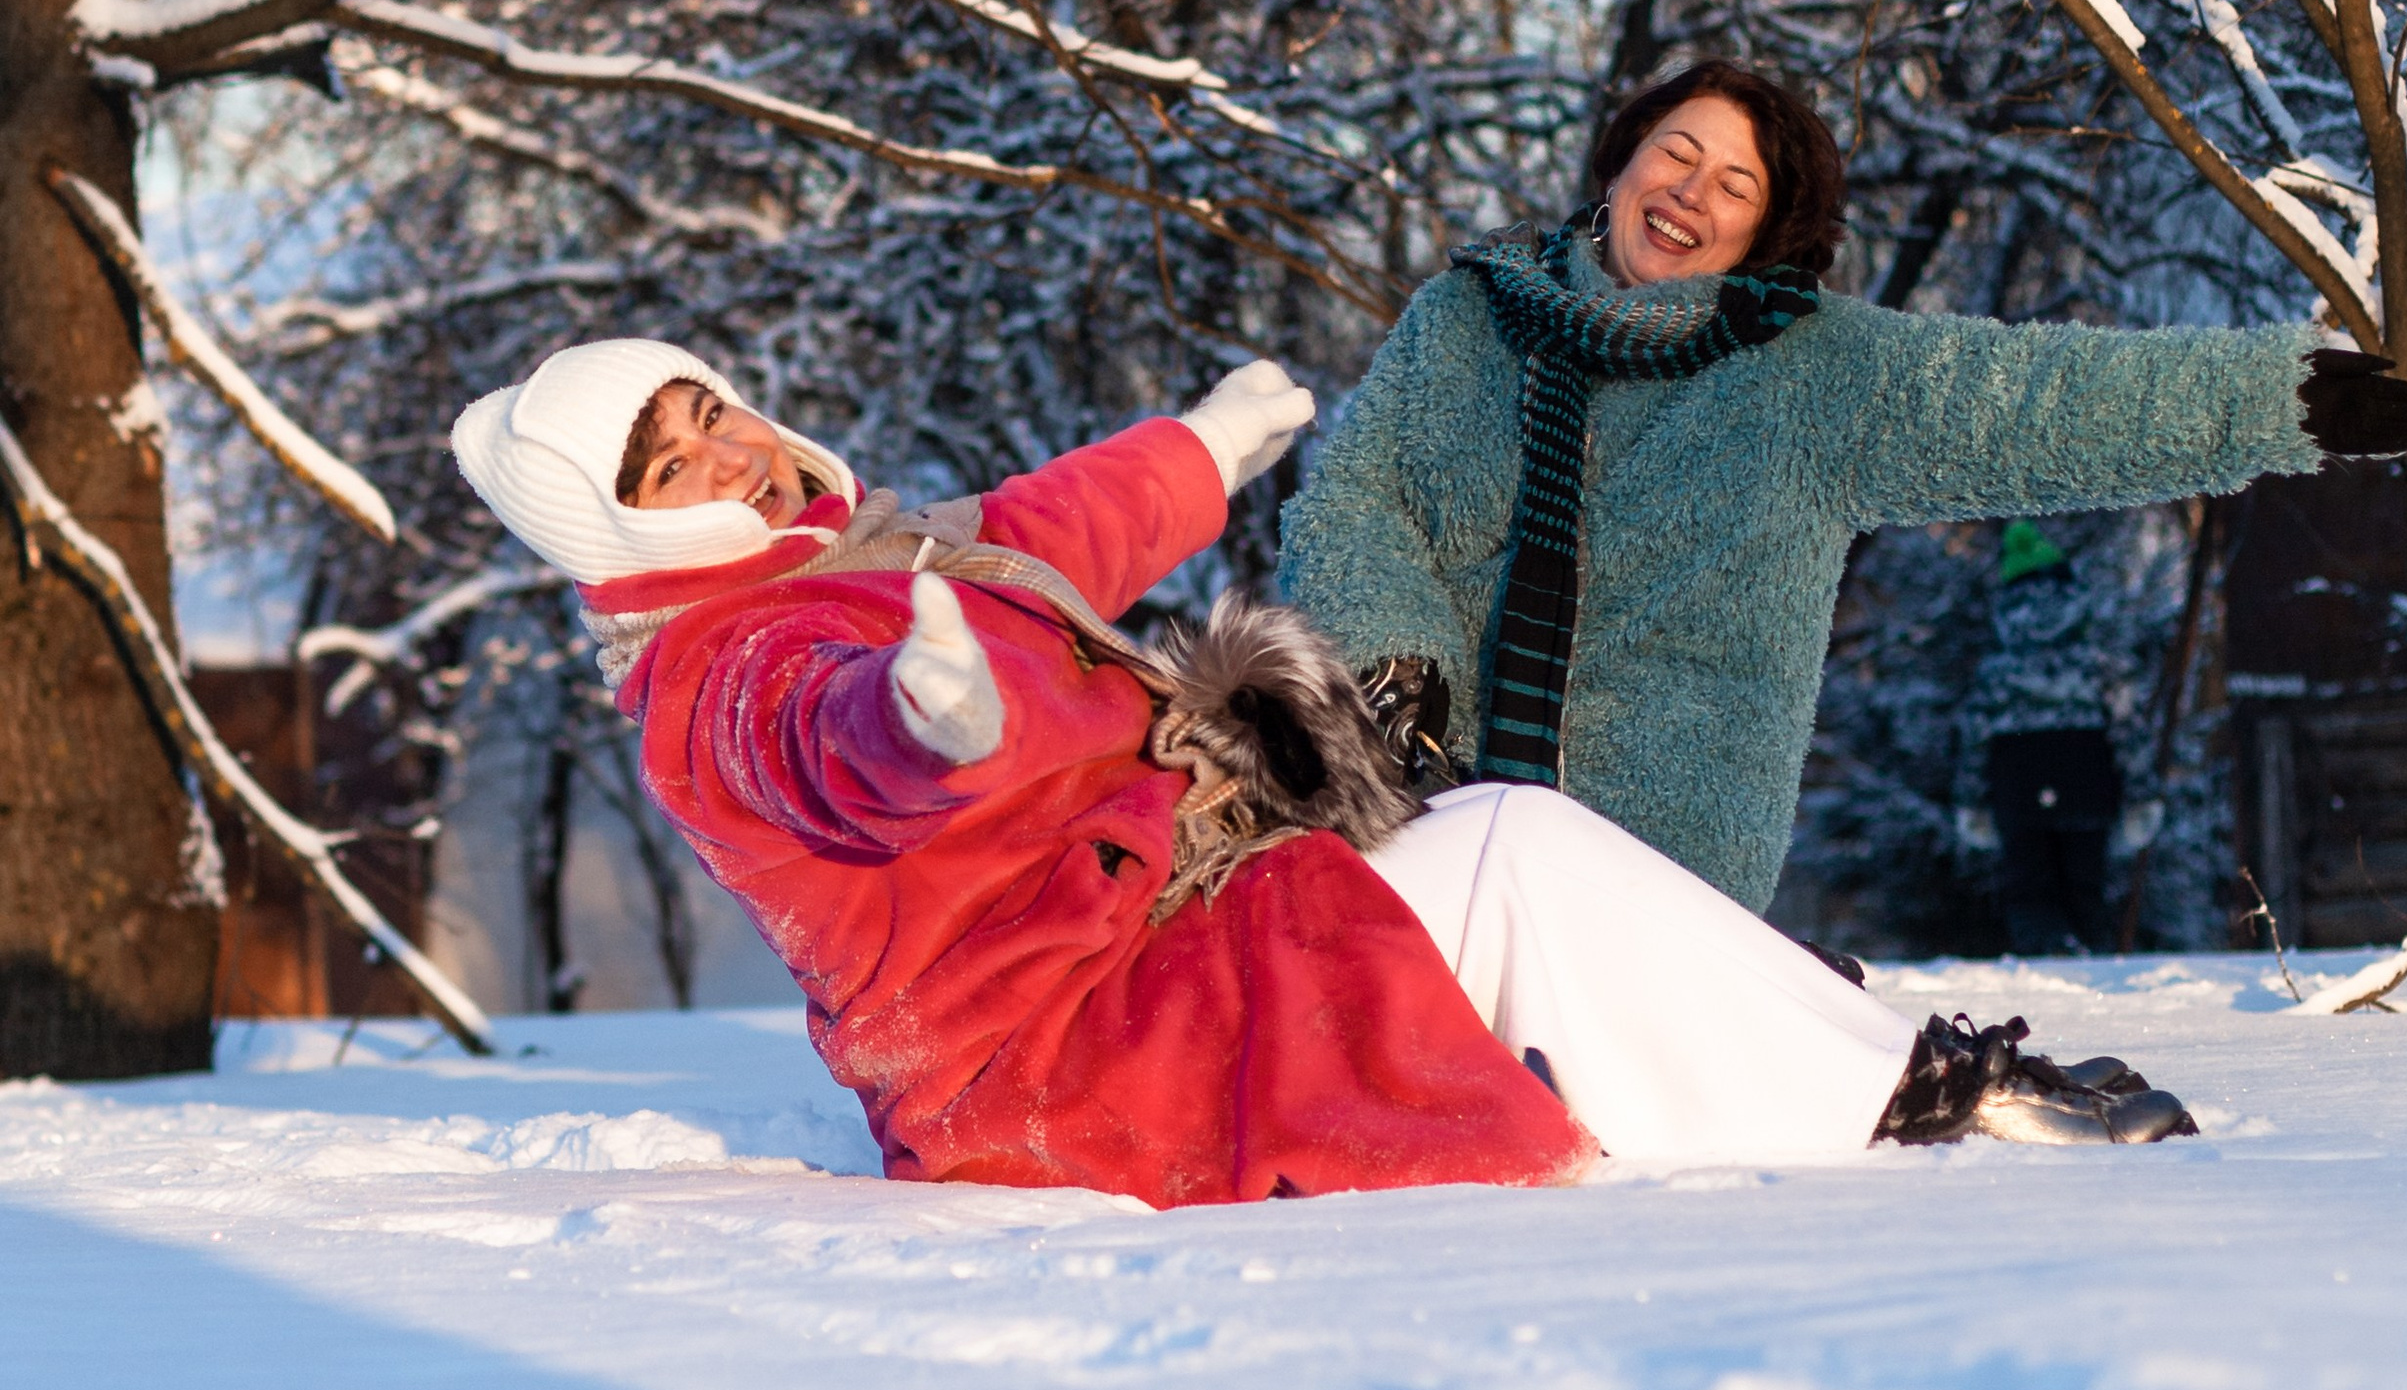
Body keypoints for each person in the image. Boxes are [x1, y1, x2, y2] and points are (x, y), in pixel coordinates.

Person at [448, 336, 2206, 1210]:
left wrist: (1203, 447)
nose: (730, 455)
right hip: (1069, 1057)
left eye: (714, 409)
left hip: (1154, 958)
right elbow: (826, 754)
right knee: (1506, 851)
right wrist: (924, 729)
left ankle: (1803, 1068)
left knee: (1472, 853)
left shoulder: (878, 557)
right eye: (669, 463)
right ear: (617, 527)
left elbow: (1050, 529)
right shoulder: (726, 667)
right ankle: (1909, 1103)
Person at [1277, 56, 2407, 915]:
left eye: (1733, 184)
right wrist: (1394, 660)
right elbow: (1354, 501)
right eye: (1676, 154)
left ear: (1767, 230)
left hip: (1656, 856)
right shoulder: (1467, 322)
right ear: (1622, 162)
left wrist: (2266, 398)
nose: (1691, 192)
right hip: (1428, 806)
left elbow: (2036, 399)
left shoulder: (1810, 375)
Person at [1974, 519, 2124, 953]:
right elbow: (2128, 724)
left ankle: (2044, 964)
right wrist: (2144, 793)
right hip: (2086, 772)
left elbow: (1975, 735)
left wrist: (1971, 802)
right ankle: (2090, 966)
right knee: (2085, 884)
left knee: (2028, 887)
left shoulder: (1997, 669)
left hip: (2017, 778)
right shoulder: (2096, 661)